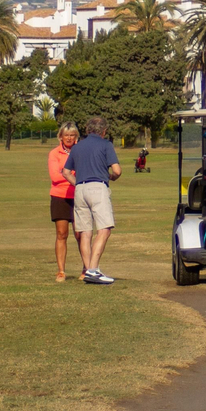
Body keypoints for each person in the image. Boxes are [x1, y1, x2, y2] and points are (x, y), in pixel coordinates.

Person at [62, 116, 120, 285]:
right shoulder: (106, 144)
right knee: (104, 229)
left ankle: (88, 270)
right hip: (98, 187)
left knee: (85, 232)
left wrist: (78, 183)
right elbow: (117, 170)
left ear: (87, 130)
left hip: (80, 189)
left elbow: (66, 172)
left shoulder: (77, 147)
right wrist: (110, 177)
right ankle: (93, 269)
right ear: (104, 131)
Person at [48, 123, 81, 282]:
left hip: (79, 195)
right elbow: (55, 176)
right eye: (66, 135)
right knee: (62, 234)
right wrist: (73, 174)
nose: (69, 138)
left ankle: (87, 268)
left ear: (76, 137)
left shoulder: (81, 151)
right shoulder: (55, 153)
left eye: (72, 135)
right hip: (60, 196)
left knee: (80, 234)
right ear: (60, 136)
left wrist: (66, 173)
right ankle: (61, 271)